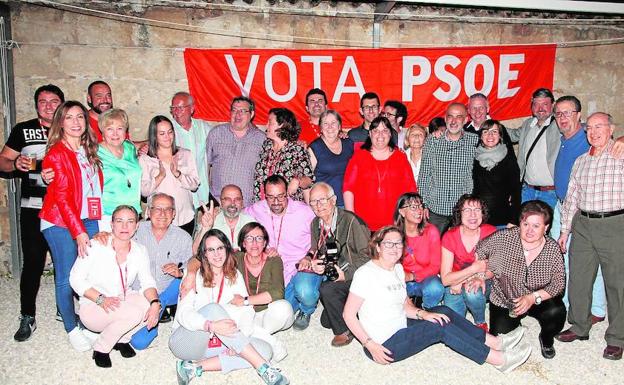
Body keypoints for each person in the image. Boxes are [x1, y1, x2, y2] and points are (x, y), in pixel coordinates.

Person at [343, 226, 532, 373]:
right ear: (377, 246)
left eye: (398, 243)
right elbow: (348, 315)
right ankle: (499, 360)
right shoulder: (365, 274)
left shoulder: (397, 269)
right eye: (388, 243)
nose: (394, 248)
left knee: (441, 312)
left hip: (401, 325)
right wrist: (370, 345)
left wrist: (423, 313)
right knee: (439, 327)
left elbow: (403, 305)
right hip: (383, 345)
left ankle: (496, 343)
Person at [168, 229, 289, 385]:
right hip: (187, 341)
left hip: (218, 342)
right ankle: (264, 369)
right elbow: (183, 314)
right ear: (204, 254)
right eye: (211, 250)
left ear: (227, 249)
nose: (217, 254)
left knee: (265, 351)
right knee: (213, 309)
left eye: (220, 248)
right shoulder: (194, 275)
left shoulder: (234, 275)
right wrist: (210, 325)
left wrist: (239, 343)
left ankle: (192, 367)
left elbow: (246, 311)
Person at [556, 112, 624, 361]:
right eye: (590, 128)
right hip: (582, 224)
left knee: (617, 283)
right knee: (579, 278)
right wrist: (564, 230)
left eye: (600, 127)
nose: (594, 132)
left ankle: (617, 337)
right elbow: (572, 197)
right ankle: (579, 325)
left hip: (614, 223)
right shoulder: (581, 160)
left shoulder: (620, 153)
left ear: (611, 128)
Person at [0, 84, 63, 342]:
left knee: (65, 263)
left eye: (53, 101)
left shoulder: (71, 126)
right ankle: (27, 315)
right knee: (33, 263)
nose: (48, 106)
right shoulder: (23, 130)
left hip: (63, 208)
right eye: (42, 101)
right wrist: (15, 163)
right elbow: (2, 161)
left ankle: (66, 310)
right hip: (33, 207)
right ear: (37, 105)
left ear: (62, 103)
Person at [39, 100, 103, 351]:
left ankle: (87, 321)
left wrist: (94, 225)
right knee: (66, 276)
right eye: (69, 118)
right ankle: (70, 327)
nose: (76, 122)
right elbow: (63, 199)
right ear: (60, 123)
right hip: (59, 220)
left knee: (88, 272)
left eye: (80, 117)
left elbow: (93, 190)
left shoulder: (88, 150)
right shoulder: (56, 153)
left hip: (86, 216)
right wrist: (78, 232)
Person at [471, 200, 565, 359]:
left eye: (536, 226)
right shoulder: (504, 237)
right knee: (501, 341)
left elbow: (559, 284)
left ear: (546, 227)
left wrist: (532, 298)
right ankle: (513, 324)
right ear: (519, 223)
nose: (529, 230)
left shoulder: (552, 248)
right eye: (525, 224)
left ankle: (546, 339)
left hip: (537, 298)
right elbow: (480, 249)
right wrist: (479, 275)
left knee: (557, 312)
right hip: (506, 298)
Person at [69, 205, 160, 367]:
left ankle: (120, 339)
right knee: (134, 314)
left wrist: (155, 303)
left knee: (148, 306)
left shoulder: (140, 250)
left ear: (137, 225)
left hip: (122, 298)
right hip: (94, 305)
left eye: (130, 221)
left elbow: (147, 282)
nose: (125, 226)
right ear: (111, 224)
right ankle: (101, 348)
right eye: (119, 221)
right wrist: (100, 299)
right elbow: (75, 278)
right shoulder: (96, 245)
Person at [550, 96, 606, 324]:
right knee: (559, 256)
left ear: (578, 115)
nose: (563, 118)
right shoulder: (564, 139)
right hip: (561, 204)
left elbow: (612, 143)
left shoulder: (588, 138)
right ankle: (564, 302)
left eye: (567, 113)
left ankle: (597, 308)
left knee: (591, 260)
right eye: (559, 114)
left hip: (583, 210)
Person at [244, 175, 318, 331]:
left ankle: (306, 310)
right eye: (271, 197)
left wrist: (309, 256)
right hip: (276, 273)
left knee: (305, 291)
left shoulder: (304, 212)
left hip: (301, 268)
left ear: (287, 194)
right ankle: (295, 298)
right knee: (278, 311)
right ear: (264, 195)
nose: (276, 202)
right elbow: (236, 217)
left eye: (280, 196)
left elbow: (320, 238)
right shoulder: (256, 209)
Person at [308, 182, 370, 347]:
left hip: (357, 275)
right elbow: (318, 251)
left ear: (333, 200)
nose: (318, 206)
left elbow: (369, 257)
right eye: (313, 202)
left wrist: (346, 274)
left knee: (326, 290)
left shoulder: (352, 221)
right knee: (325, 321)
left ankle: (343, 331)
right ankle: (351, 313)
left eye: (322, 200)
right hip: (335, 274)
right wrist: (317, 264)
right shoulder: (315, 224)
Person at [128, 192, 193, 349]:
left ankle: (158, 306)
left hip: (169, 291)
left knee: (139, 342)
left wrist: (181, 271)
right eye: (157, 208)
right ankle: (156, 307)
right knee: (135, 339)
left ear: (174, 214)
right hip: (139, 292)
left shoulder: (183, 237)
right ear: (148, 212)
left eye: (168, 209)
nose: (162, 214)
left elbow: (192, 265)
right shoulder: (134, 231)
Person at [233, 222, 294, 360]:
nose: (254, 243)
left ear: (265, 242)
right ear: (243, 243)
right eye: (249, 238)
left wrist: (245, 301)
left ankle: (250, 335)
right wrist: (191, 273)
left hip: (268, 314)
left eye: (259, 238)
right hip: (245, 313)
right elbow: (205, 257)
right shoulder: (235, 258)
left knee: (284, 307)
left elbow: (278, 292)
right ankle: (271, 343)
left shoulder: (274, 260)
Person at [343, 116, 416, 231]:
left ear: (390, 134)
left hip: (394, 223)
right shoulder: (359, 156)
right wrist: (352, 219)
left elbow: (410, 189)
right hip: (363, 224)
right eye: (376, 131)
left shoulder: (400, 157)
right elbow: (348, 188)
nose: (380, 135)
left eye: (385, 131)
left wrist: (408, 218)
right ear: (370, 134)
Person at [418, 103, 479, 234]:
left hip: (463, 210)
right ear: (445, 119)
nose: (453, 121)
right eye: (450, 116)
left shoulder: (474, 141)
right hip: (436, 209)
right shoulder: (433, 141)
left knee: (462, 251)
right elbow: (424, 175)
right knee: (433, 250)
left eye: (458, 117)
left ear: (466, 120)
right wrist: (424, 204)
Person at [440, 195, 496, 331]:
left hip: (484, 279)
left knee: (472, 292)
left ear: (483, 213)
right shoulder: (450, 236)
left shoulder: (491, 232)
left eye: (477, 210)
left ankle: (480, 323)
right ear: (460, 213)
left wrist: (480, 276)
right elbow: (446, 280)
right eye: (467, 210)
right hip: (455, 282)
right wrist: (474, 270)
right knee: (455, 325)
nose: (473, 215)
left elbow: (497, 267)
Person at [139, 115, 199, 235]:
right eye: (162, 134)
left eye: (170, 132)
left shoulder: (185, 154)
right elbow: (144, 192)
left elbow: (195, 185)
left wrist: (178, 174)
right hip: (159, 219)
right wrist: (160, 177)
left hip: (184, 216)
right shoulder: (146, 159)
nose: (167, 137)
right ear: (154, 136)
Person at [206, 96, 265, 207]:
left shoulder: (262, 139)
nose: (237, 115)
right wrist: (209, 196)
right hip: (218, 203)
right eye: (234, 110)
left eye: (242, 111)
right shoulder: (216, 134)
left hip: (248, 205)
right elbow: (206, 166)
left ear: (251, 114)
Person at [507, 88, 559, 209]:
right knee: (524, 225)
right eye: (536, 104)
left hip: (551, 193)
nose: (540, 108)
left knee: (549, 227)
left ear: (553, 105)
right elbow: (513, 135)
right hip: (527, 191)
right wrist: (489, 123)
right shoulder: (528, 124)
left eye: (545, 104)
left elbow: (578, 128)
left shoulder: (559, 124)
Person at [393, 192, 444, 309]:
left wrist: (412, 276)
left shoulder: (431, 231)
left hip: (426, 278)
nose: (419, 210)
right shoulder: (393, 234)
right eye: (413, 207)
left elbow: (435, 266)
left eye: (421, 206)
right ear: (401, 212)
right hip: (401, 281)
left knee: (435, 288)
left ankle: (428, 311)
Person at [253, 107, 314, 202]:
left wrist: (297, 181)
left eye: (270, 123)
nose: (266, 125)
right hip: (262, 206)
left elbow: (309, 180)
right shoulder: (266, 145)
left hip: (287, 208)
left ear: (281, 125)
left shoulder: (296, 149)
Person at [97, 108, 142, 231]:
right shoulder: (94, 152)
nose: (115, 134)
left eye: (119, 129)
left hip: (133, 214)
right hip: (107, 216)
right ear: (102, 131)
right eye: (110, 129)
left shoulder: (130, 147)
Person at [472, 119, 521, 227]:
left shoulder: (508, 158)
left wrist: (513, 220)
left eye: (494, 131)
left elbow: (516, 191)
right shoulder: (473, 157)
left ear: (500, 136)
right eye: (485, 132)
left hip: (502, 219)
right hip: (478, 219)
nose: (490, 135)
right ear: (480, 136)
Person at [170, 91, 212, 208]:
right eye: (173, 108)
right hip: (178, 191)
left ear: (192, 109)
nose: (177, 112)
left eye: (181, 108)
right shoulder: (168, 129)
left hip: (201, 190)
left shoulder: (203, 128)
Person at [308, 110, 354, 208]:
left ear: (340, 126)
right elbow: (307, 181)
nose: (330, 127)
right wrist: (312, 207)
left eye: (333, 123)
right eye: (325, 123)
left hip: (349, 203)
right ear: (320, 128)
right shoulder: (314, 147)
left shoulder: (349, 143)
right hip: (325, 205)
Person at [193, 184, 255, 252]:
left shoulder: (251, 223)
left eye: (237, 199)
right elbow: (195, 252)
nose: (232, 204)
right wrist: (205, 228)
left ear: (242, 203)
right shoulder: (211, 220)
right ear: (220, 202)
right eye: (227, 199)